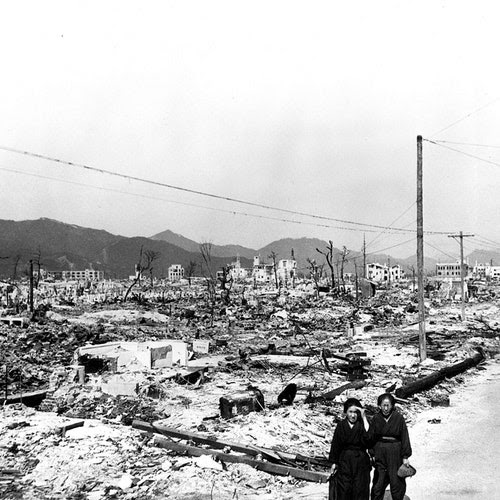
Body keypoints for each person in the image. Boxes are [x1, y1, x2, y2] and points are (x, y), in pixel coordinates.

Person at [370, 393, 412, 500]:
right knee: (378, 484)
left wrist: (405, 457)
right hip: (380, 453)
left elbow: (404, 437)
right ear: (379, 406)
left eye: (388, 405)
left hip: (395, 453)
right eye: (383, 405)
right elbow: (371, 437)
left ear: (392, 406)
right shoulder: (376, 418)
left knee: (396, 482)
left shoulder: (398, 418)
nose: (385, 408)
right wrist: (372, 453)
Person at [329, 397, 372, 500]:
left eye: (356, 412)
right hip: (345, 462)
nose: (353, 415)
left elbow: (369, 438)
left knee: (360, 490)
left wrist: (364, 417)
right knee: (344, 490)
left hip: (360, 462)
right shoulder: (341, 426)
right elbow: (336, 444)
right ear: (345, 412)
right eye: (350, 412)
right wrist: (334, 463)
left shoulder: (362, 425)